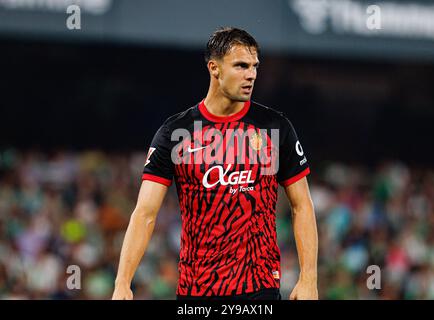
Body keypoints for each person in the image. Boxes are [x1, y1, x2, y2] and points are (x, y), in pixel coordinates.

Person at [112, 27, 318, 300]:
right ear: (214, 68)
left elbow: (302, 204)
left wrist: (308, 279)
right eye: (241, 66)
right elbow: (145, 213)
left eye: (255, 66)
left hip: (259, 289)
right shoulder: (176, 132)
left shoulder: (274, 127)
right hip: (197, 291)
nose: (252, 75)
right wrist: (122, 283)